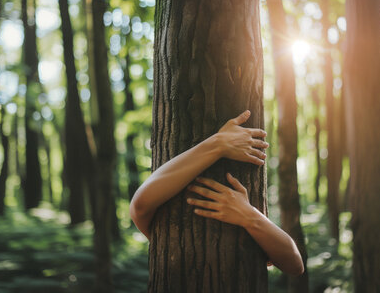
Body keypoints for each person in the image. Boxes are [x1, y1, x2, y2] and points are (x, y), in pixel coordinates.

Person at [129, 110, 305, 276]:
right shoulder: (166, 230)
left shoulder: (254, 230)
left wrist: (249, 216)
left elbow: (295, 263)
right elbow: (140, 205)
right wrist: (218, 144)